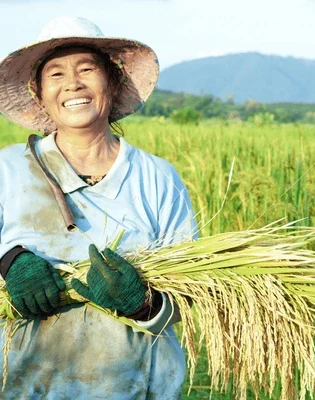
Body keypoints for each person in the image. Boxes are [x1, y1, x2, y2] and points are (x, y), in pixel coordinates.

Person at [0, 16, 197, 399]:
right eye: (55, 74)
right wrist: (10, 261)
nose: (72, 83)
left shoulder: (156, 178)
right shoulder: (7, 170)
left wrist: (142, 304)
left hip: (136, 387)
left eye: (86, 69)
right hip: (26, 387)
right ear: (39, 94)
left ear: (113, 82)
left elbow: (188, 298)